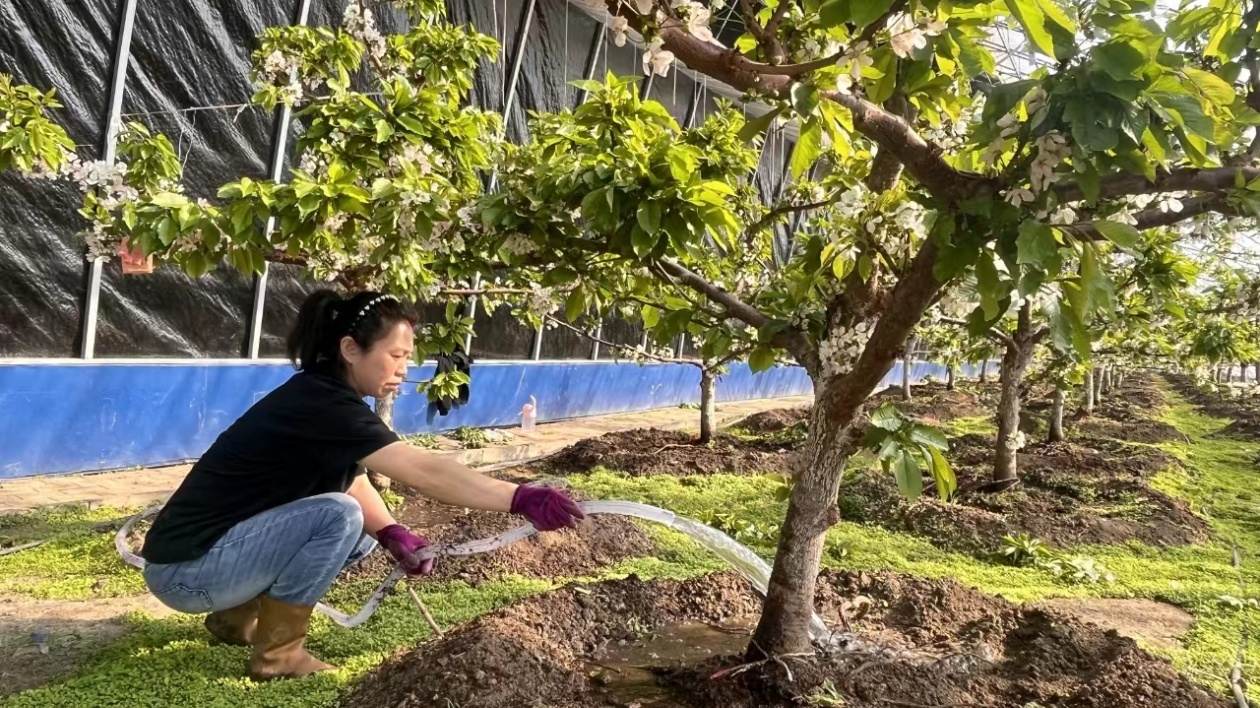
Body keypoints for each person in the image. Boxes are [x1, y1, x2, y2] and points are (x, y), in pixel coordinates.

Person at [138, 289, 585, 681]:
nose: (404, 370)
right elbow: (424, 471)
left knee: (362, 536)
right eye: (395, 356)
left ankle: (236, 620)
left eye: (408, 357)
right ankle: (279, 656)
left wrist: (391, 531)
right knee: (339, 517)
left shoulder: (323, 398)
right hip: (187, 573)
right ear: (350, 349)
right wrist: (518, 496)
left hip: (202, 563)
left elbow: (349, 476)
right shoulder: (323, 404)